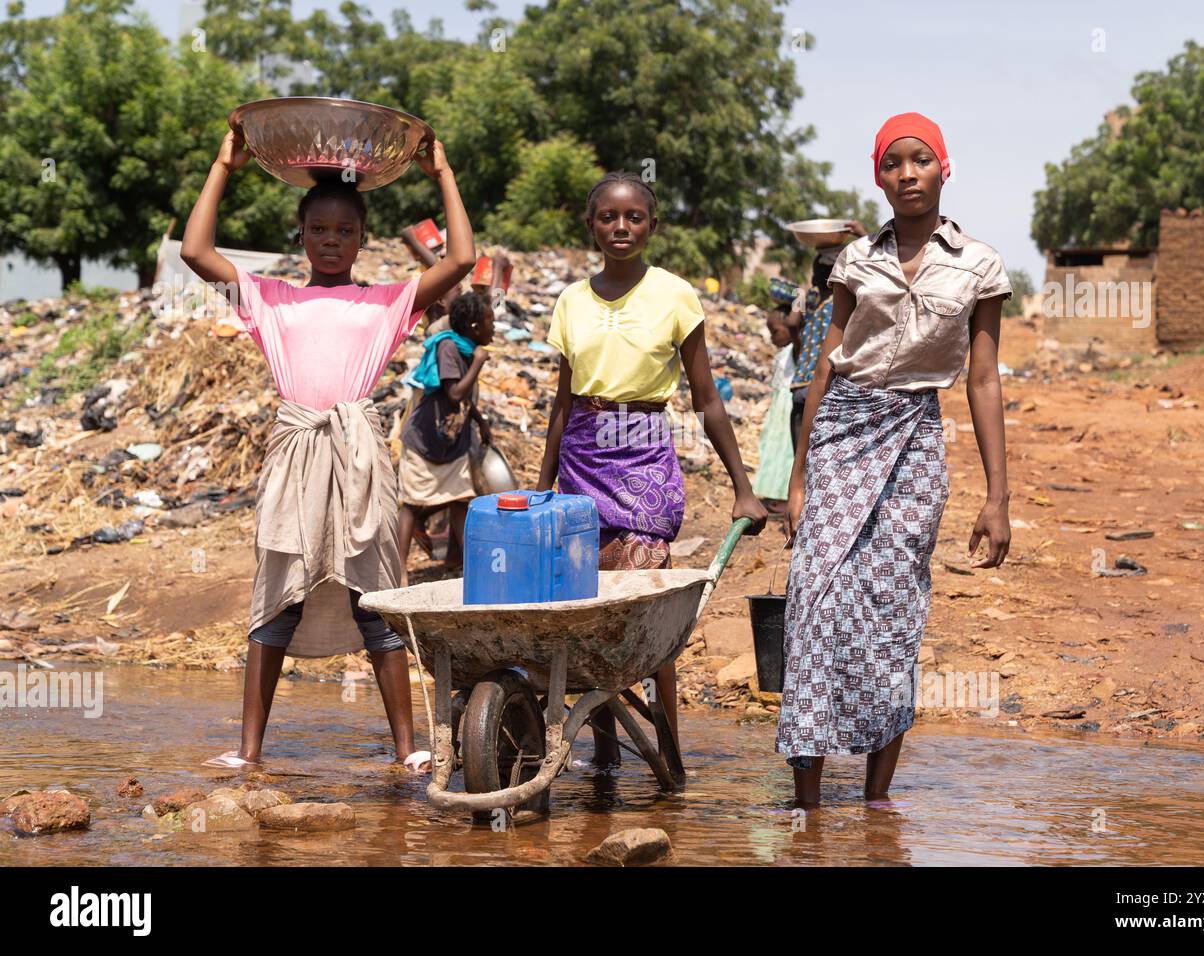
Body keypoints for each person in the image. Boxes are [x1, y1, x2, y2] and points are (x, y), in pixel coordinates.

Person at [181, 128, 476, 772]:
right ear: (302, 234)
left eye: (345, 231)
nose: (332, 241)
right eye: (320, 230)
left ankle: (406, 749)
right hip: (296, 454)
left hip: (359, 453)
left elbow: (459, 261)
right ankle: (249, 751)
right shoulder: (270, 297)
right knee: (279, 593)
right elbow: (195, 250)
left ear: (362, 239)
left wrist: (442, 174)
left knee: (372, 596)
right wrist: (223, 164)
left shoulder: (387, 301)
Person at [778, 112, 1013, 805]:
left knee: (892, 611)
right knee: (811, 604)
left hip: (915, 440)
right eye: (892, 163)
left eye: (921, 160)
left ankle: (877, 799)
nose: (907, 174)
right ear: (878, 175)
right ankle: (808, 805)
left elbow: (984, 379)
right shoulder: (855, 261)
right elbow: (825, 364)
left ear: (945, 168)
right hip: (841, 431)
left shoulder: (979, 265)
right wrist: (797, 478)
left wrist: (998, 498)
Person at [536, 171, 768, 766]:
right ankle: (608, 750)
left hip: (644, 455)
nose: (621, 227)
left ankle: (667, 744)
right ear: (591, 226)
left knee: (645, 607)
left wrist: (744, 489)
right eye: (608, 217)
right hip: (583, 456)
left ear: (652, 226)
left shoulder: (674, 294)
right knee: (587, 609)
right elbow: (562, 403)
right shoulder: (570, 302)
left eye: (634, 217)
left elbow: (707, 397)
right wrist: (541, 489)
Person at [396, 291, 494, 574]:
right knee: (412, 504)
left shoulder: (464, 347)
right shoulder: (449, 347)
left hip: (453, 441)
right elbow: (453, 393)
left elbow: (464, 400)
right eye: (490, 321)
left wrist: (480, 420)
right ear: (475, 325)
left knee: (460, 501)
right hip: (425, 441)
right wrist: (477, 363)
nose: (495, 328)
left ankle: (472, 569)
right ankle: (399, 572)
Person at [787, 221, 867, 451]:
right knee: (822, 456)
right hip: (826, 389)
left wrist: (800, 347)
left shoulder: (808, 298)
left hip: (800, 385)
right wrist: (862, 235)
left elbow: (792, 322)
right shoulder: (844, 303)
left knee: (800, 456)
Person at [750, 301, 797, 509]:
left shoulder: (797, 348)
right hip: (779, 403)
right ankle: (775, 493)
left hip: (788, 403)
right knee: (774, 447)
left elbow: (796, 323)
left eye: (775, 331)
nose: (771, 337)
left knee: (787, 450)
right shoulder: (786, 351)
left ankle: (786, 496)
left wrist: (801, 298)